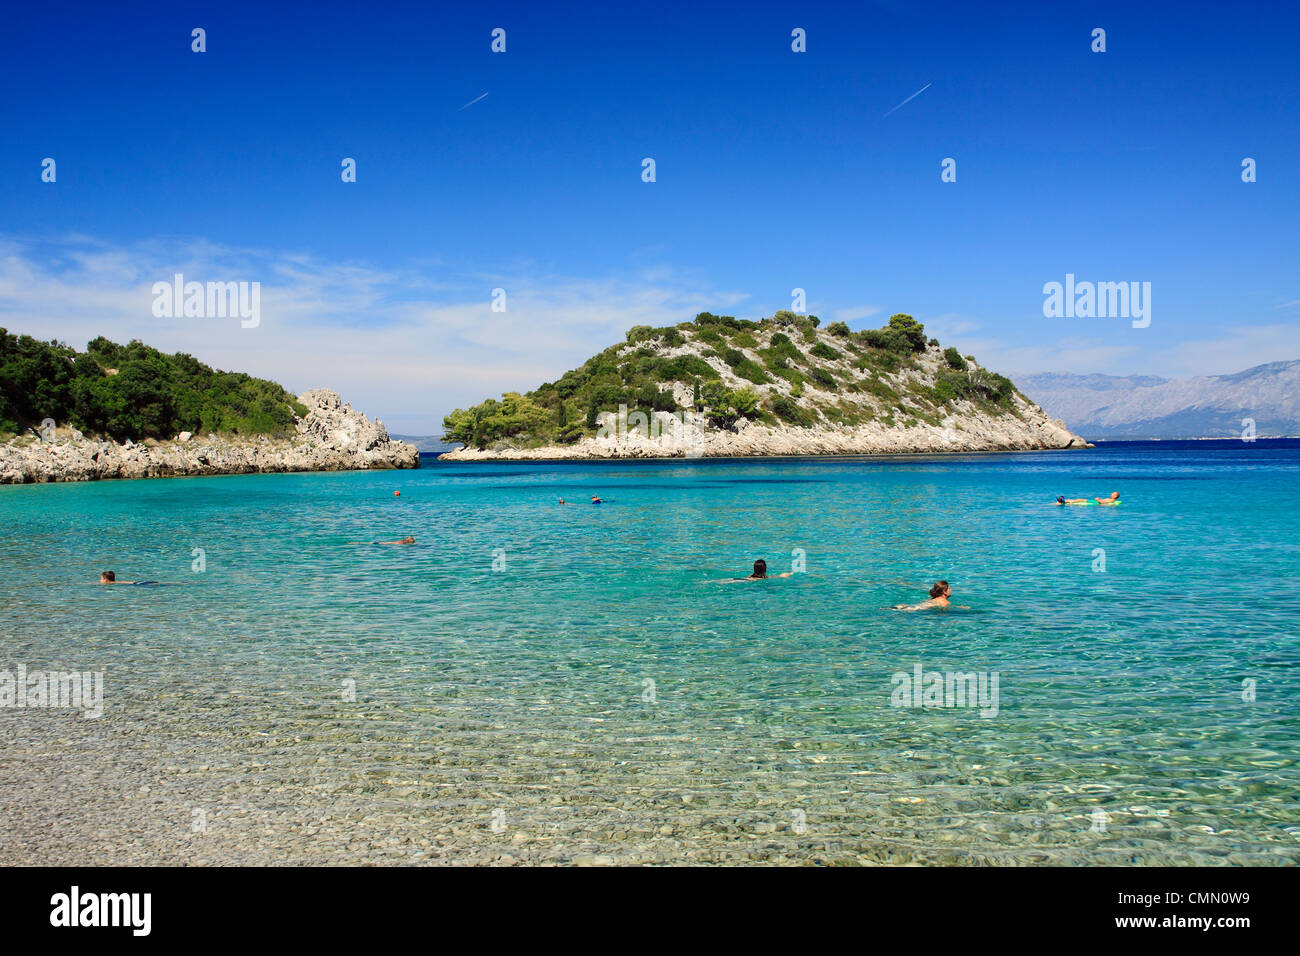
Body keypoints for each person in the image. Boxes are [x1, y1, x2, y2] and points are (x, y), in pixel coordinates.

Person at [894, 580, 965, 610]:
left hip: (915, 606)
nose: (951, 589)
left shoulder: (933, 599)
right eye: (949, 588)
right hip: (918, 609)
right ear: (944, 592)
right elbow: (944, 610)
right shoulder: (944, 601)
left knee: (901, 608)